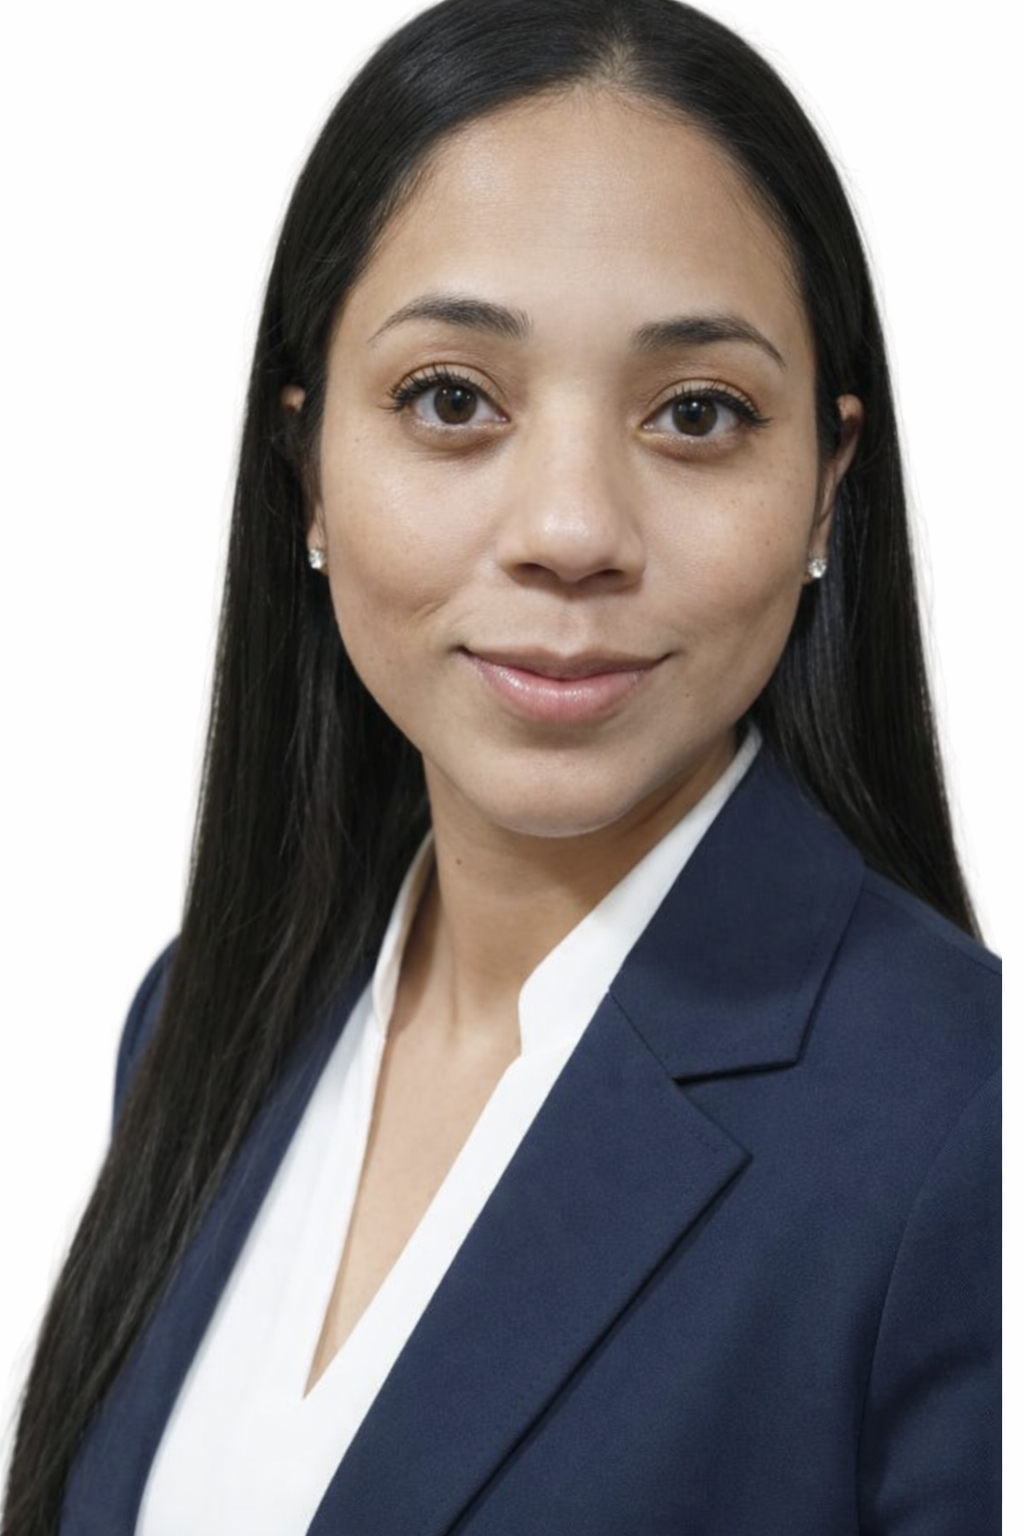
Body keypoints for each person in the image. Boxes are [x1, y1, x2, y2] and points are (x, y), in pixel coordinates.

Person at [2, 0, 1000, 1532]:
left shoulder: (966, 1131)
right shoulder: (201, 1019)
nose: (572, 530)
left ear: (824, 493)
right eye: (451, 400)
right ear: (310, 467)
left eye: (697, 414)